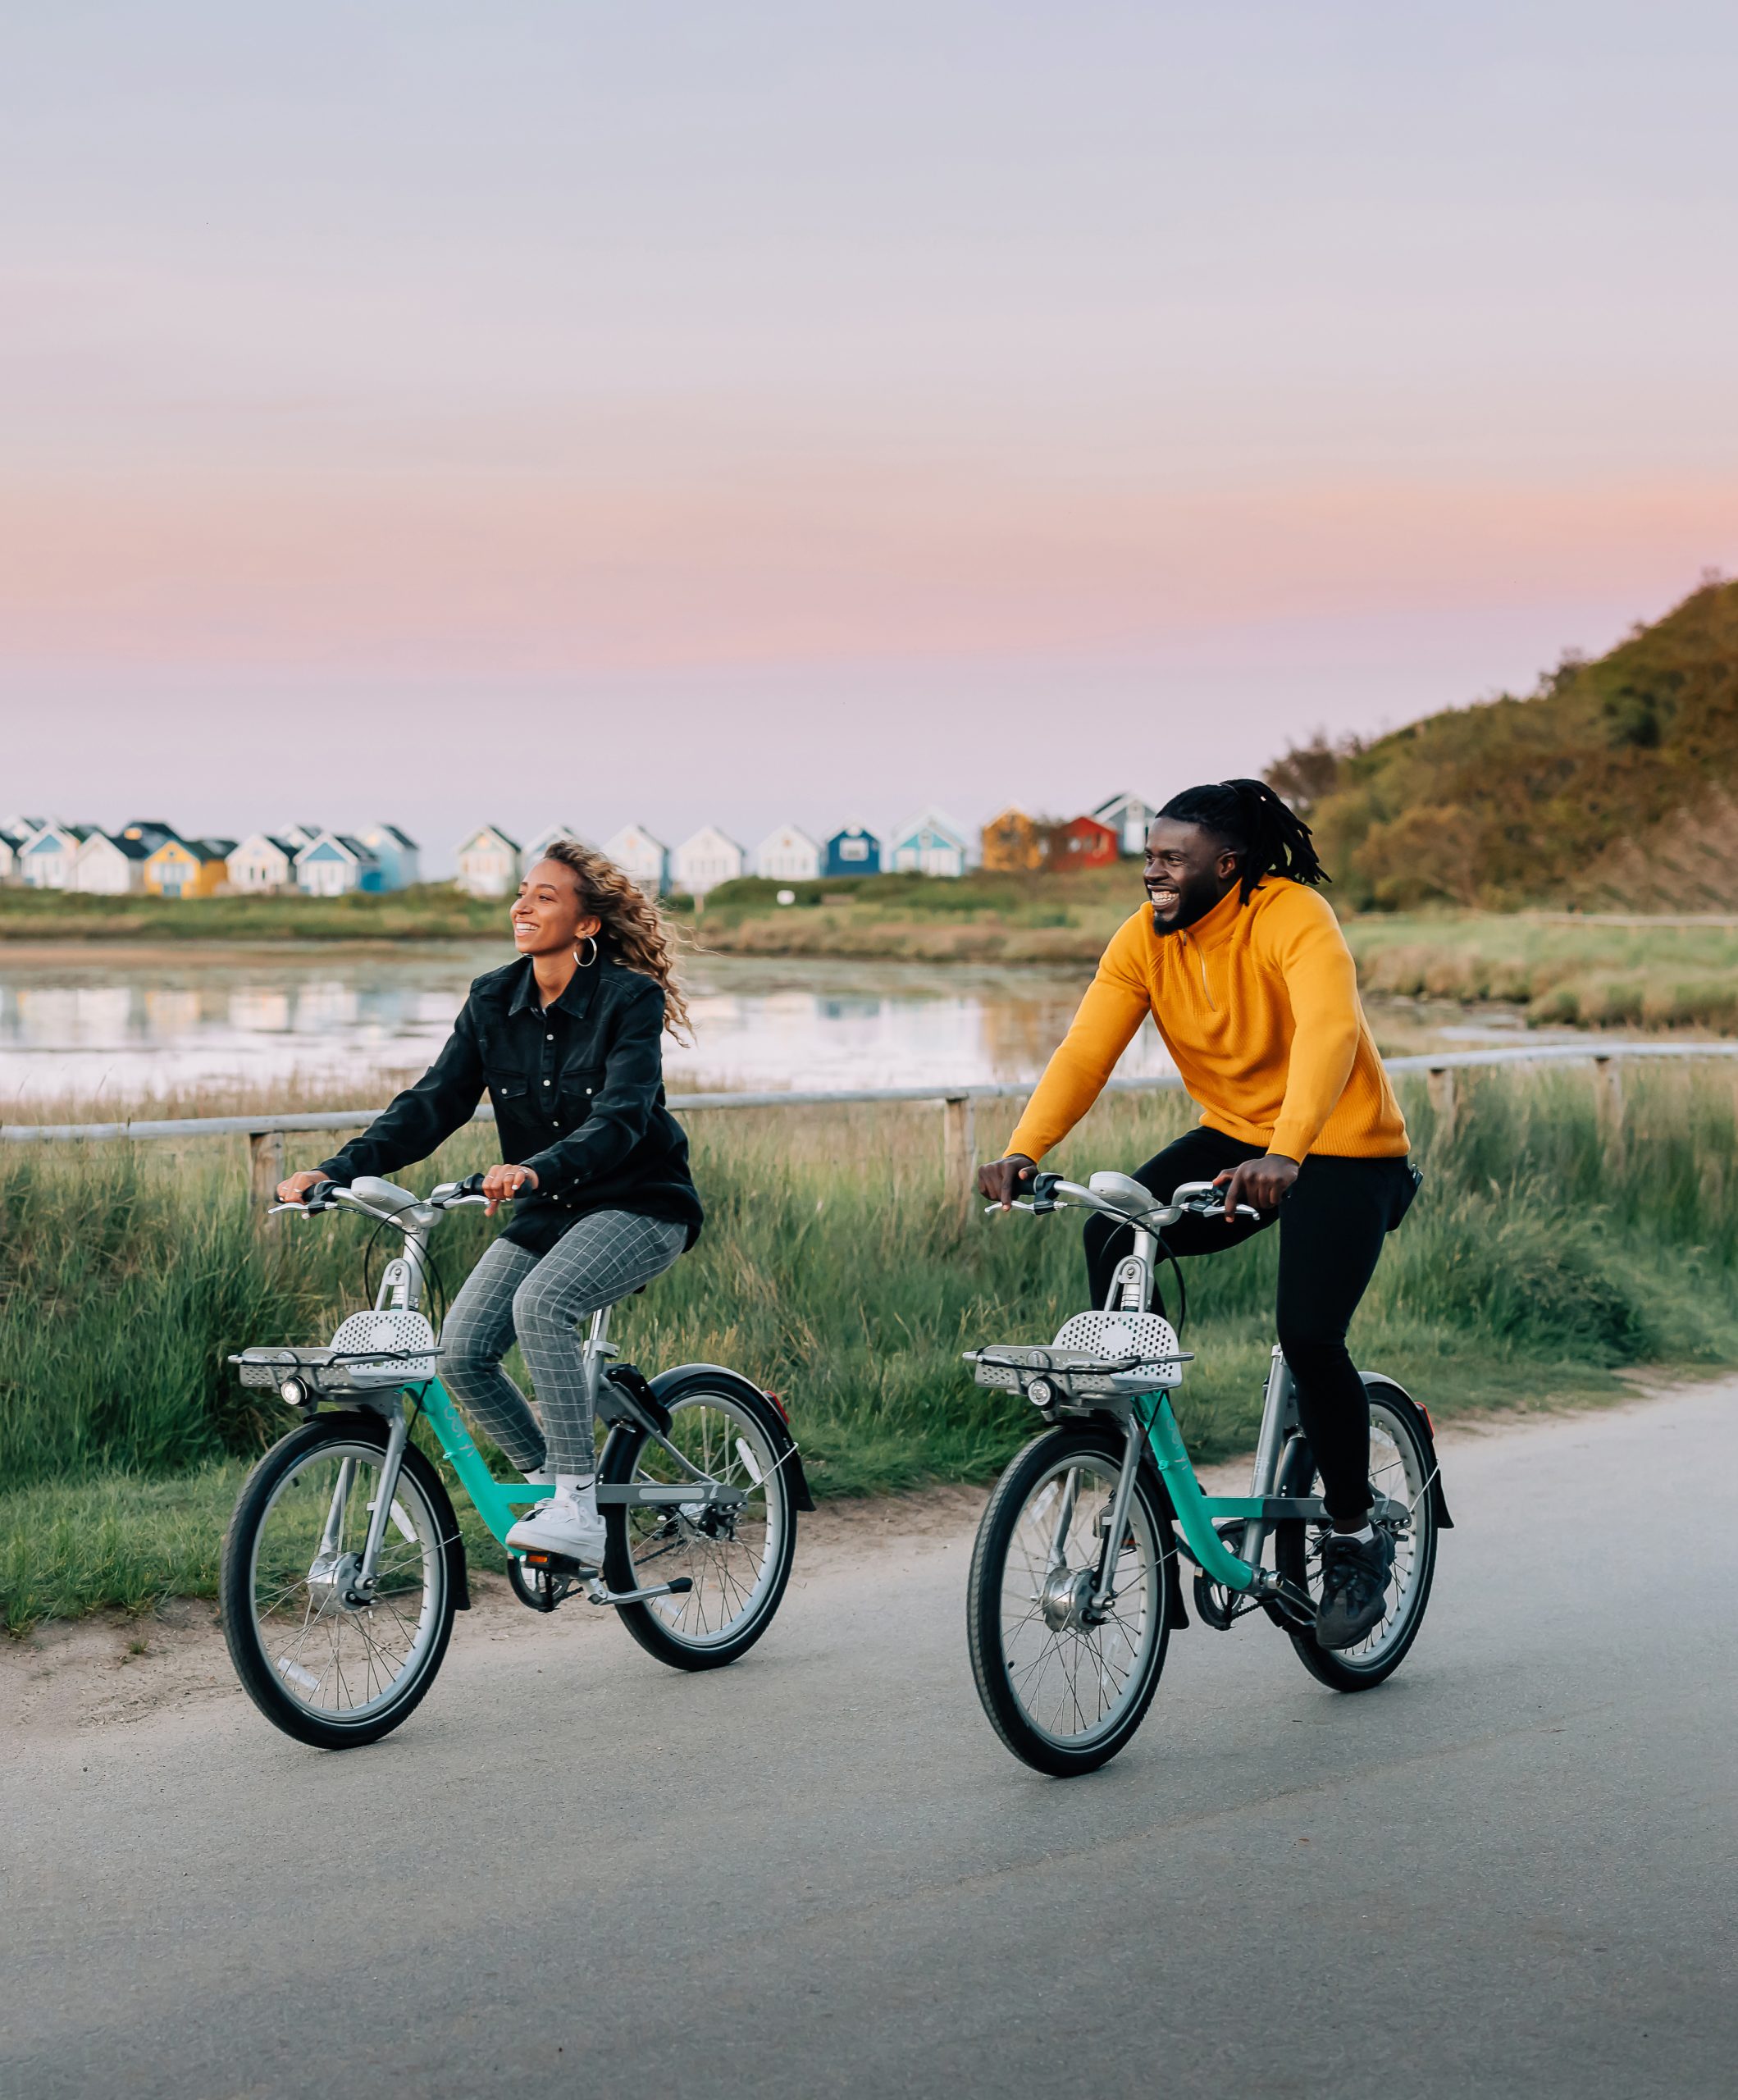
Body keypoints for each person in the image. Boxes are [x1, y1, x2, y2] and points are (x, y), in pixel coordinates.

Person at [978, 779, 1417, 1649]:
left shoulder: (1292, 917)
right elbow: (1085, 1051)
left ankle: (1357, 1532)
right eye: (1148, 857)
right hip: (1238, 1140)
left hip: (1343, 1146)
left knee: (1308, 1334)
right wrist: (1024, 1146)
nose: (1153, 874)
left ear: (1230, 863)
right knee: (1110, 1225)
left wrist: (1288, 1151)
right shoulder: (1144, 940)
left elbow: (1329, 1033)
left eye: (1172, 859)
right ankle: (1143, 1462)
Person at [277, 840, 703, 1567]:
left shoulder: (628, 999)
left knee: (541, 1304)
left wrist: (533, 1169)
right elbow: (432, 1104)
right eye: (521, 892)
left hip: (638, 1201)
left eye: (545, 896)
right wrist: (335, 1169)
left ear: (586, 924)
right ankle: (554, 1485)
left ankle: (578, 1508)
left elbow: (623, 1115)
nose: (522, 905)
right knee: (463, 1354)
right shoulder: (490, 999)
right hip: (550, 1207)